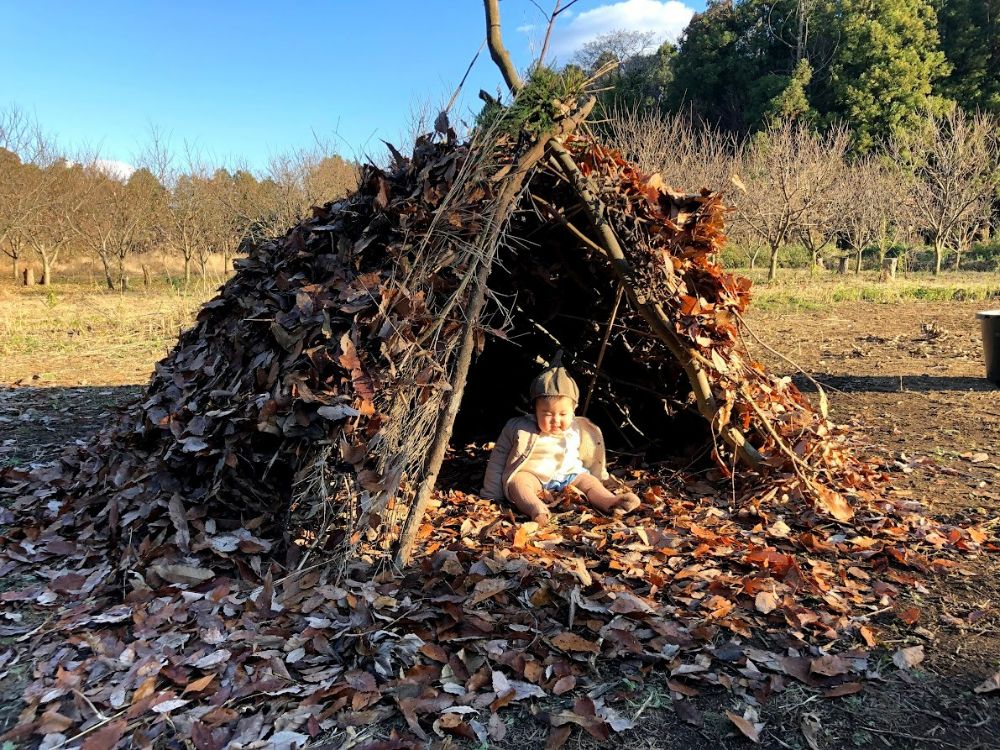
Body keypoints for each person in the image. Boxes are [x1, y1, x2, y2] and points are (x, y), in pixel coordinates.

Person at [481, 364, 641, 525]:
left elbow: (593, 454)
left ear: (574, 409)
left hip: (569, 474)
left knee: (589, 481)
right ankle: (535, 509)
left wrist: (601, 476)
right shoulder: (519, 428)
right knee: (518, 483)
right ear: (535, 410)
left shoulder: (580, 428)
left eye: (563, 414)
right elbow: (498, 458)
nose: (556, 420)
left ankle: (610, 502)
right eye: (547, 414)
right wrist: (492, 493)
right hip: (533, 475)